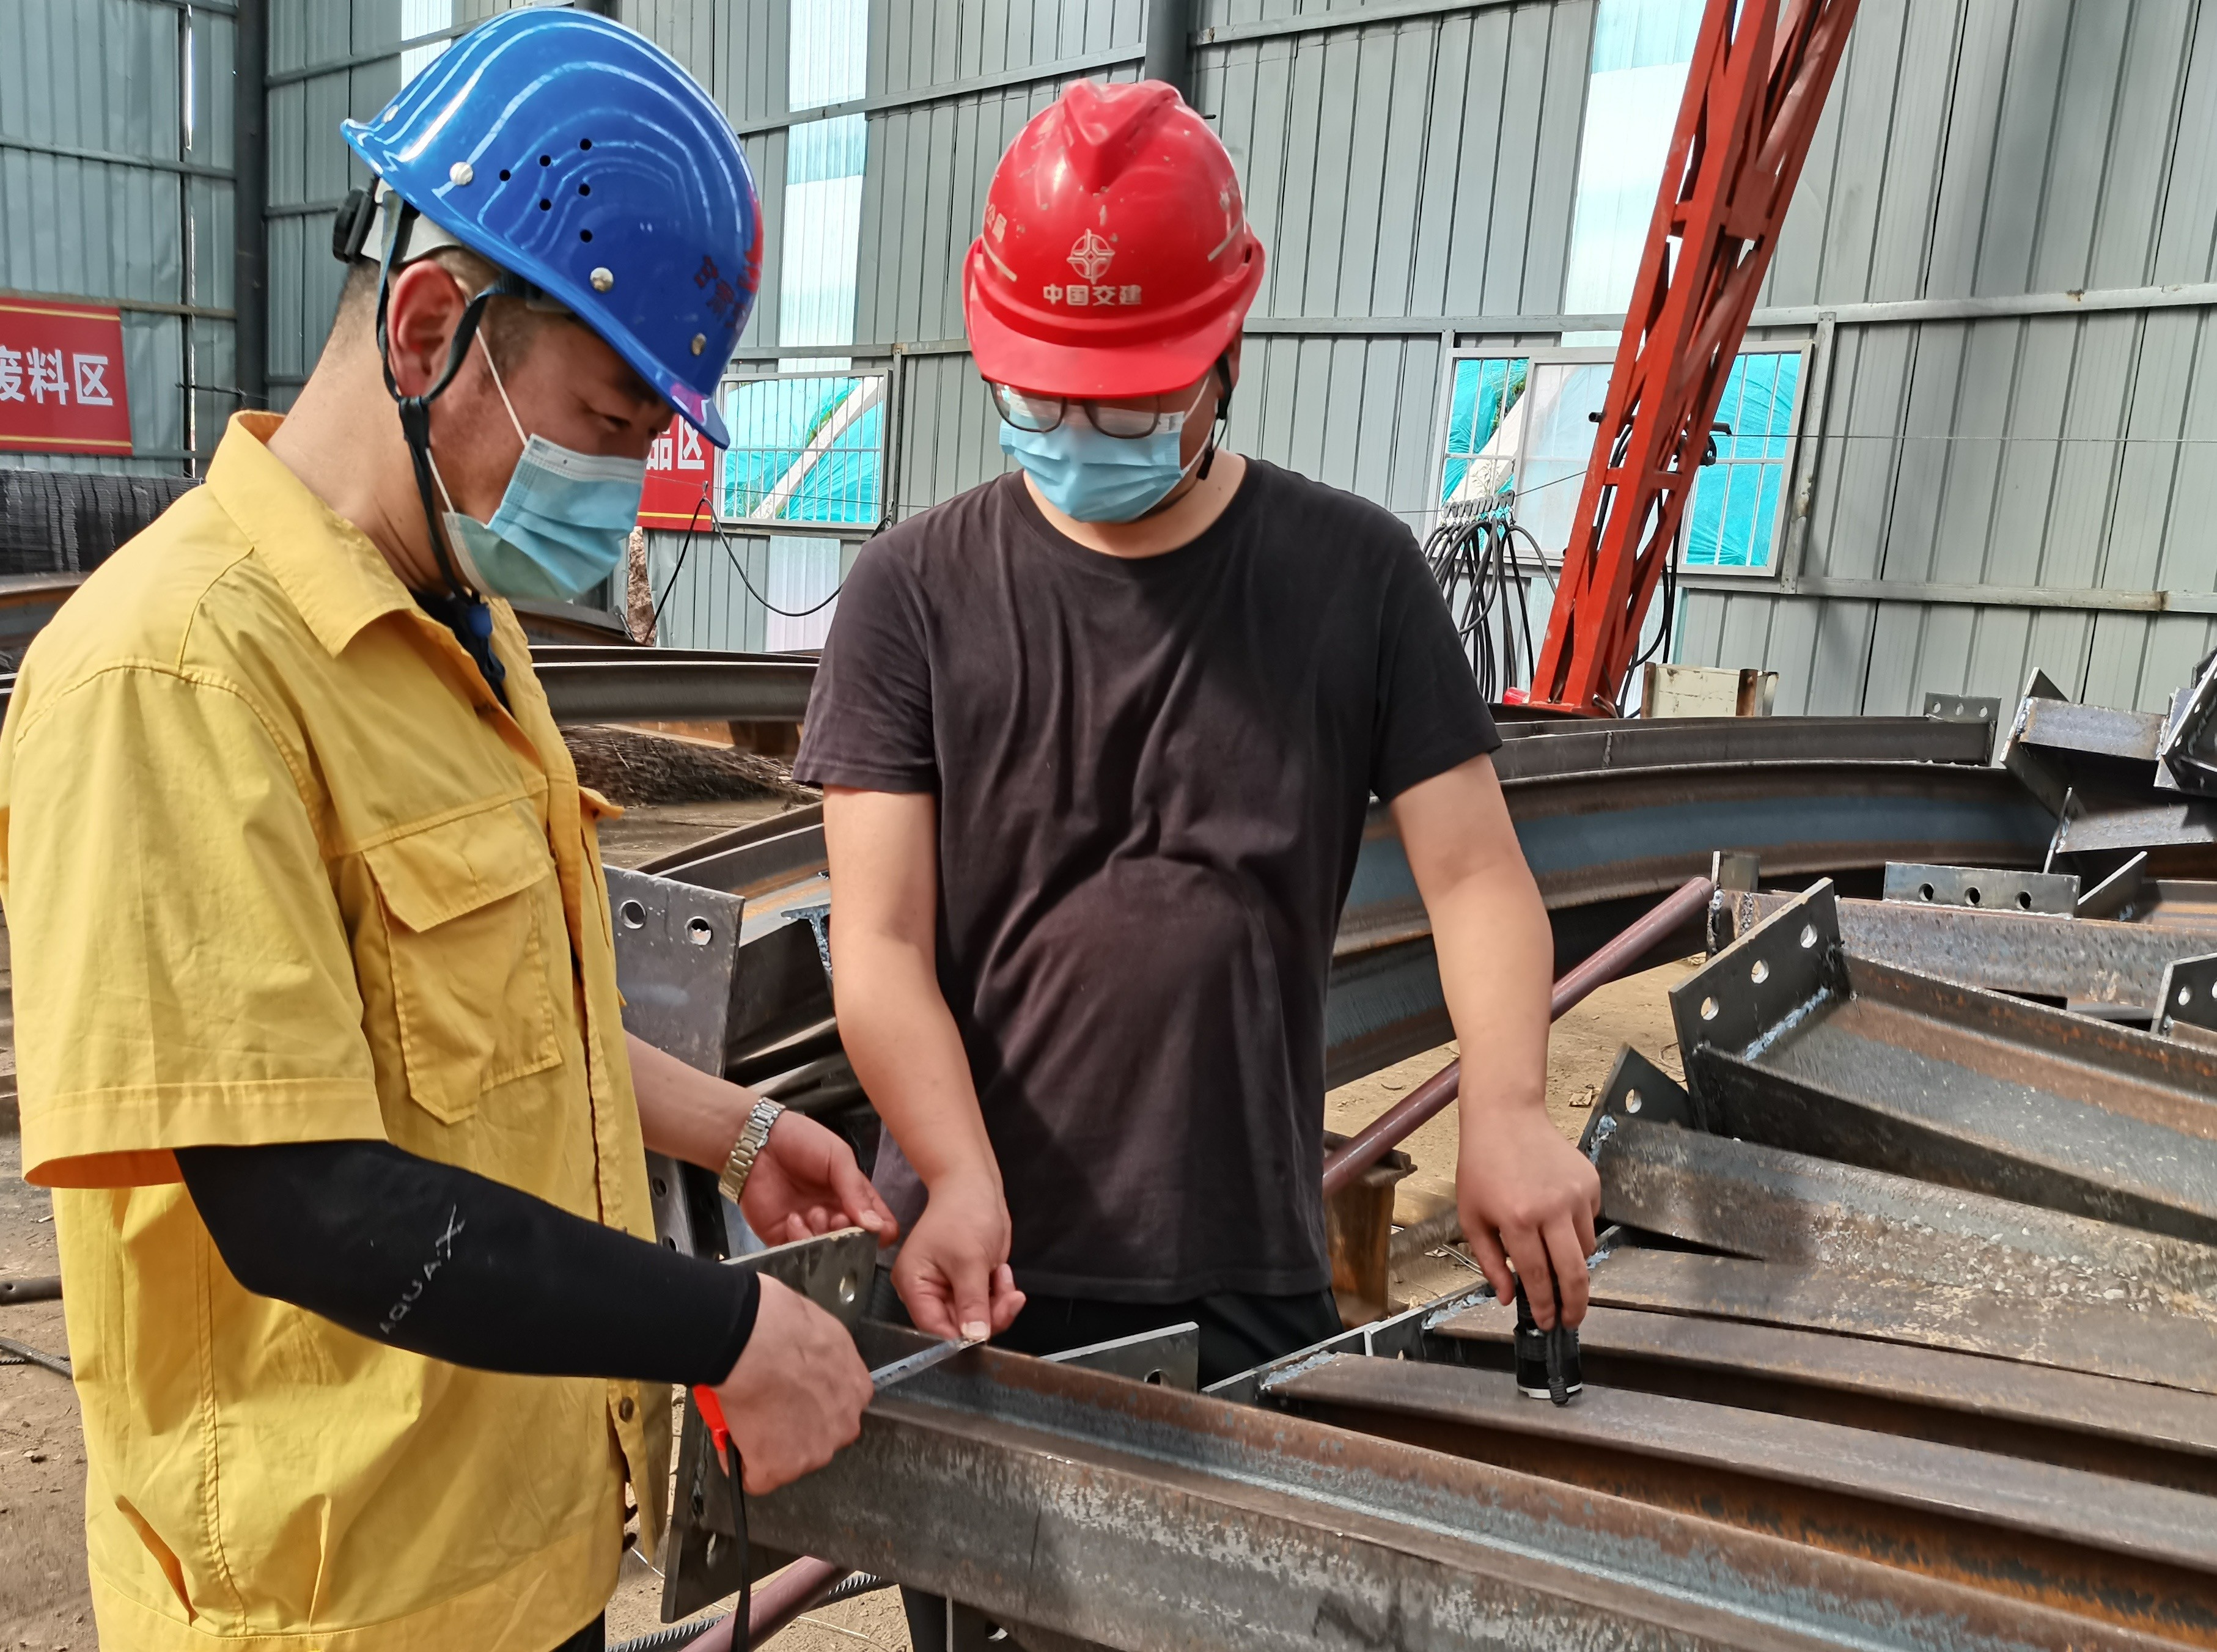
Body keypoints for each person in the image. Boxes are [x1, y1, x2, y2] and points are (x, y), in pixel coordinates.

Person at [0, 14, 883, 1651]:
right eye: (609, 424)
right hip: (329, 1611)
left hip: (515, 1568)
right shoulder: (174, 675)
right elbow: (304, 1201)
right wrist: (717, 1328)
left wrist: (738, 1131)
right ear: (426, 328)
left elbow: (502, 1021)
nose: (619, 488)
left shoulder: (459, 631)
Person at [800, 78, 1598, 1408]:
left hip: (1239, 1251)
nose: (1076, 436)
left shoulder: (1354, 579)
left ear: (1225, 347)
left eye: (1126, 407)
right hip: (968, 1253)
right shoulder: (913, 592)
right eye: (1036, 399)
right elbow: (877, 940)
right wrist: (955, 1172)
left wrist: (1506, 1108)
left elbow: (1472, 875)